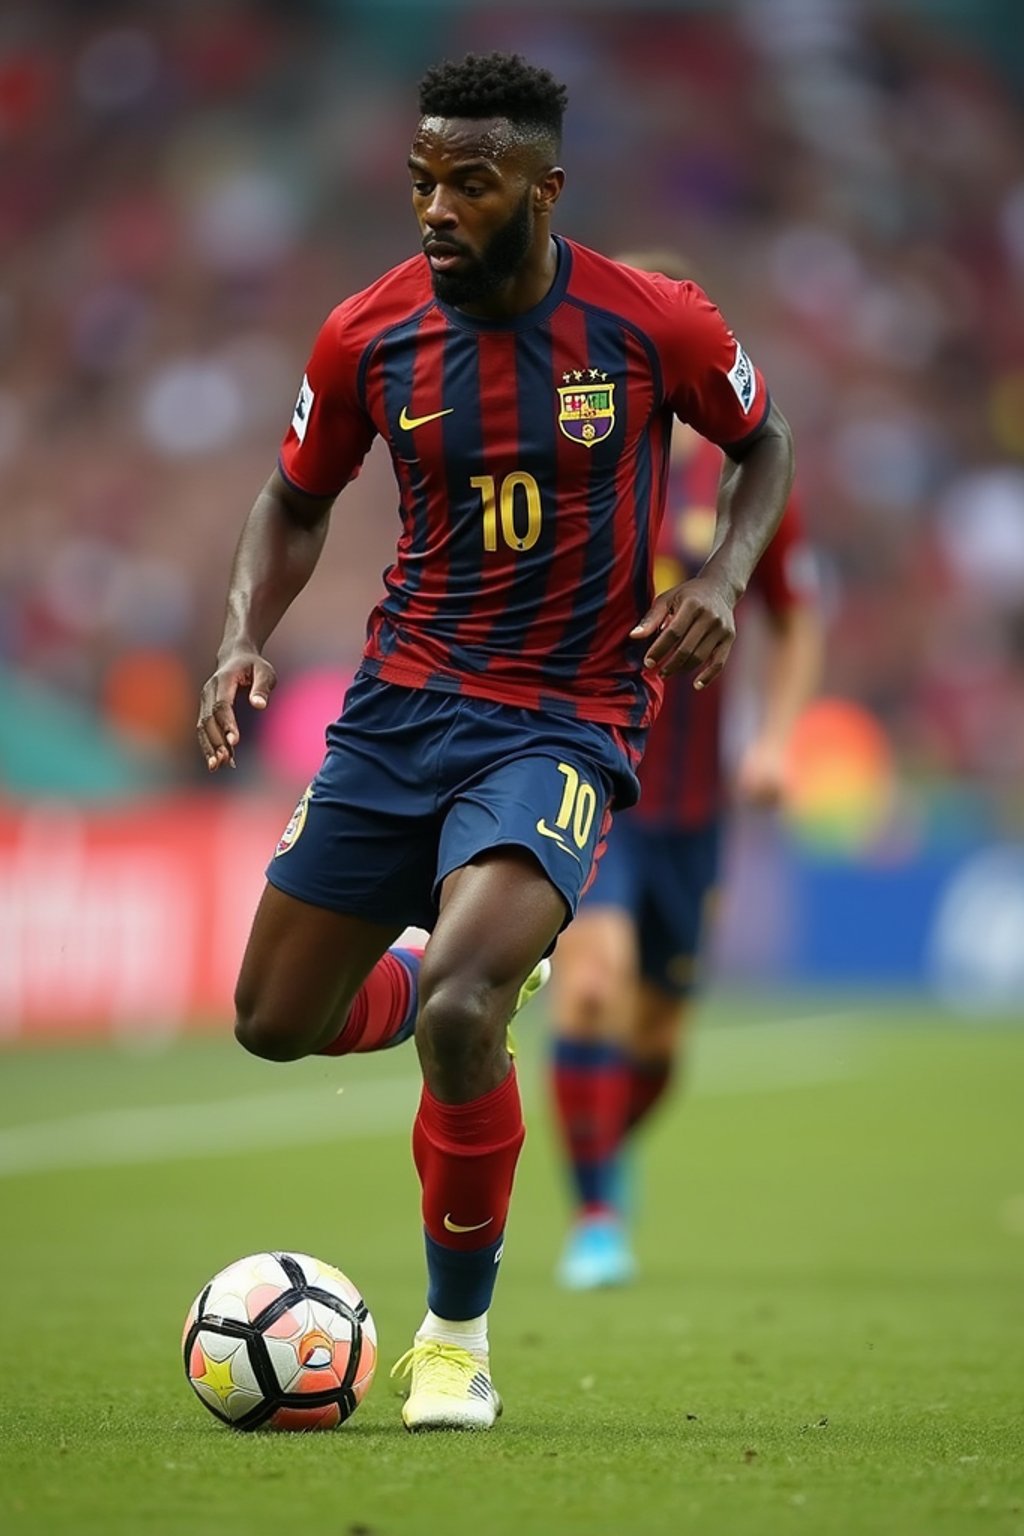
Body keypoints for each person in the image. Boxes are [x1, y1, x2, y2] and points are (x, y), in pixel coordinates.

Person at [196, 54, 794, 1432]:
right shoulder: (368, 334)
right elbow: (293, 503)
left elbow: (764, 448)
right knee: (270, 1024)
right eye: (420, 183)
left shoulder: (656, 324)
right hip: (398, 711)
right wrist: (242, 633)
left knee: (473, 1014)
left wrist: (718, 582)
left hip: (565, 723)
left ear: (542, 187)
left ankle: (454, 1345)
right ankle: (427, 970)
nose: (437, 210)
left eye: (470, 183)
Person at [549, 250, 822, 1291]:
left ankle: (604, 1151)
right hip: (593, 770)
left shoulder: (747, 473)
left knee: (659, 1029)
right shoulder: (575, 461)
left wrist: (777, 736)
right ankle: (596, 1217)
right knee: (593, 986)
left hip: (696, 802)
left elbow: (796, 618)